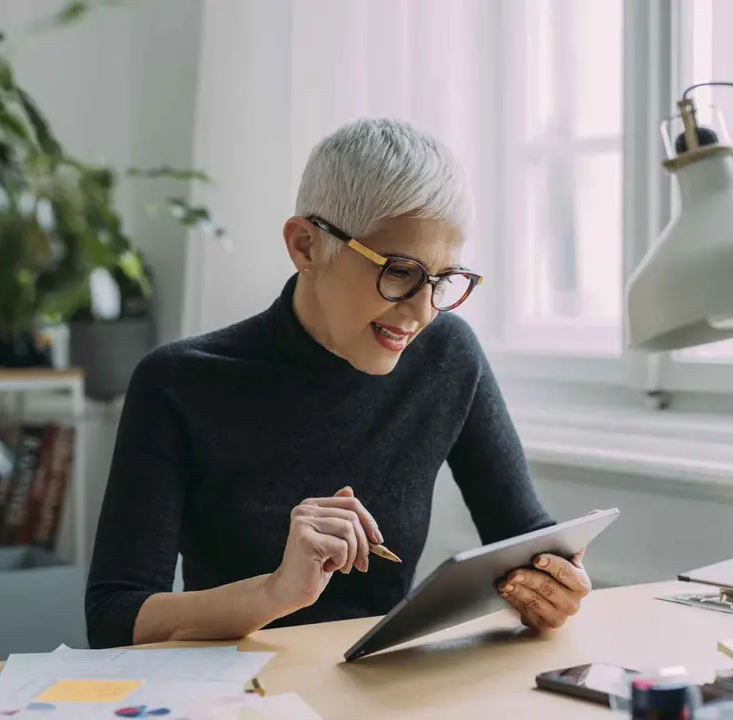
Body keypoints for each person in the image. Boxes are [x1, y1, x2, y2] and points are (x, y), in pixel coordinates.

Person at [84, 118, 595, 649]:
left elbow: (522, 537)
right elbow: (114, 616)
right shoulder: (178, 383)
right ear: (306, 246)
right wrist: (276, 592)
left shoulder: (447, 354)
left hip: (387, 689)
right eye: (399, 272)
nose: (422, 313)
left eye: (442, 280)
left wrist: (551, 586)